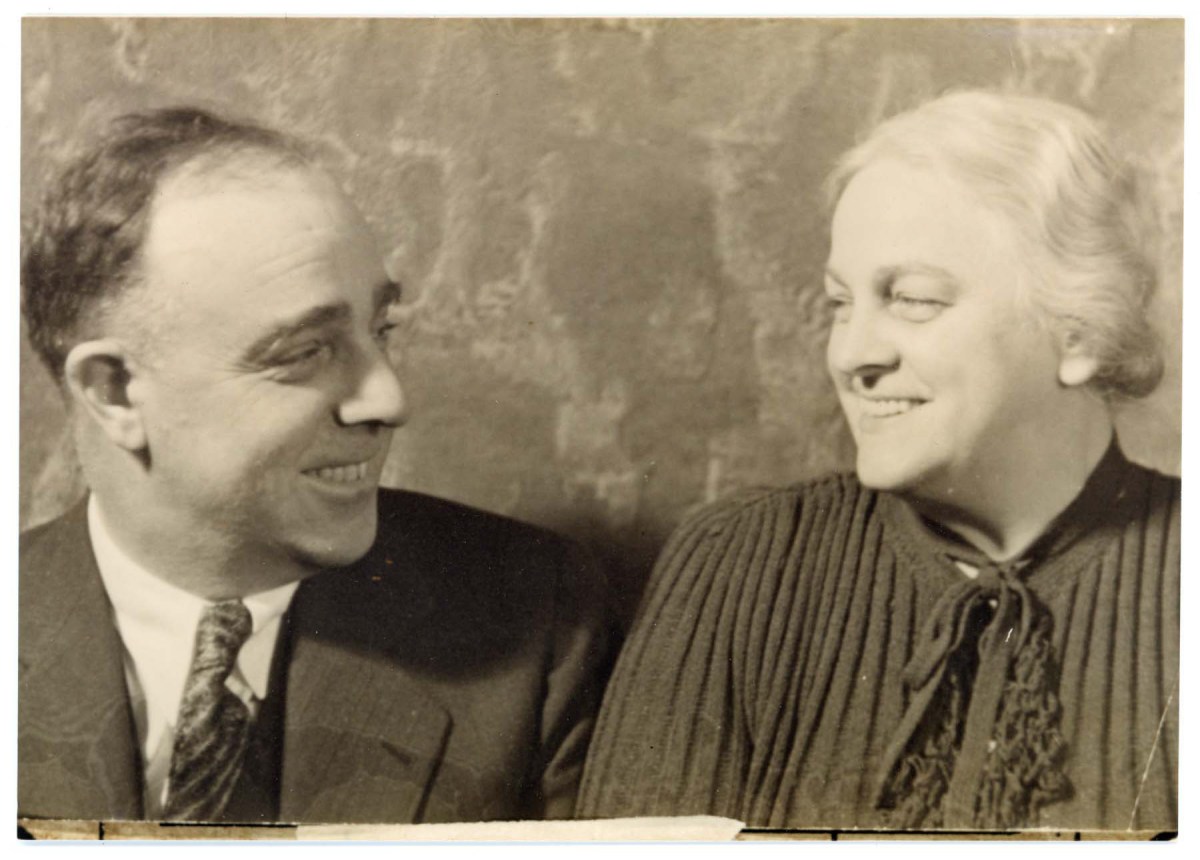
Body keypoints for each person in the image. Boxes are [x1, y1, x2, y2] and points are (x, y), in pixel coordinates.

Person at [577, 90, 1178, 833]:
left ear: (1081, 332)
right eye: (841, 303)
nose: (852, 354)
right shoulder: (740, 566)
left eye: (914, 299)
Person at [19, 107, 610, 825]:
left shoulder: (534, 622)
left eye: (381, 330)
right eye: (305, 352)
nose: (388, 399)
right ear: (114, 392)